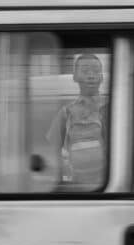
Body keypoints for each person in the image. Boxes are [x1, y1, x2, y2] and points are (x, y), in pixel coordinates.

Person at [46, 53, 108, 191]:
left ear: (102, 77)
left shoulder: (111, 110)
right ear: (75, 77)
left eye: (96, 71)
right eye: (85, 71)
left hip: (107, 187)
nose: (91, 76)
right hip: (77, 188)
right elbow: (52, 152)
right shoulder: (66, 113)